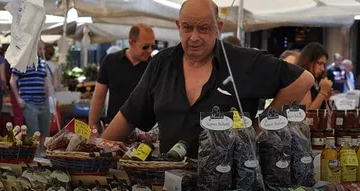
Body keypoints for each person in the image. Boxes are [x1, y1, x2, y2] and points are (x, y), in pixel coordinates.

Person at [102, 0, 314, 157]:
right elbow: (130, 114)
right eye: (187, 28)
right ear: (178, 26)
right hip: (171, 181)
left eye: (203, 28)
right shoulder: (161, 63)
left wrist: (261, 127)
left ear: (218, 28)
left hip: (231, 183)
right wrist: (99, 147)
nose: (193, 37)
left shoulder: (243, 61)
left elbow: (303, 79)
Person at [88, 24, 155, 129]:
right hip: (113, 127)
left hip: (144, 131)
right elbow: (99, 97)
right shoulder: (110, 61)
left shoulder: (154, 65)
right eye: (145, 46)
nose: (149, 50)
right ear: (131, 42)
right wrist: (92, 127)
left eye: (152, 46)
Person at [10, 41, 49, 156]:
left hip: (43, 102)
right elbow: (12, 80)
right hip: (29, 103)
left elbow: (45, 82)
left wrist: (48, 99)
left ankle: (41, 153)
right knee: (34, 132)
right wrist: (18, 99)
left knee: (44, 131)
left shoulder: (42, 63)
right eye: (40, 47)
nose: (42, 50)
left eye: (43, 48)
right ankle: (35, 155)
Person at [297, 42, 333, 109]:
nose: (322, 69)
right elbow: (308, 113)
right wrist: (323, 92)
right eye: (320, 63)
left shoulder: (316, 81)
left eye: (324, 65)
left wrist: (326, 96)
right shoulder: (303, 81)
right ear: (309, 61)